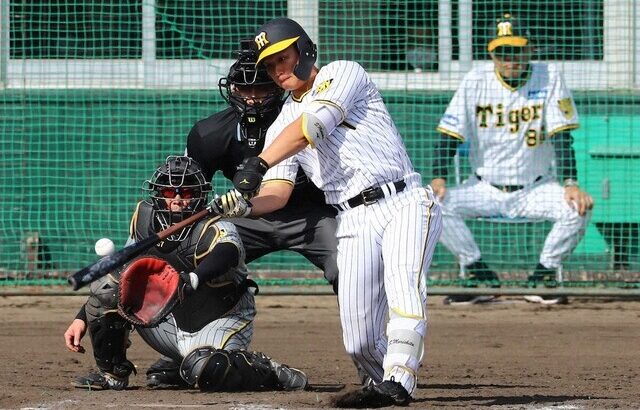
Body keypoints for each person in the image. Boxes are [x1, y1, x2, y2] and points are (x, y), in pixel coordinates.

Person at [215, 17, 442, 408]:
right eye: (270, 65)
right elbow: (278, 194)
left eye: (282, 58)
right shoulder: (281, 124)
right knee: (359, 340)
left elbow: (312, 127)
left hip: (403, 200)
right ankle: (383, 385)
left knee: (405, 289)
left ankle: (400, 380)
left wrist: (259, 164)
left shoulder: (342, 73)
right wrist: (246, 205)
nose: (277, 69)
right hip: (351, 218)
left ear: (304, 51)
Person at [142, 39, 341, 389]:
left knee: (350, 265)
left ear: (276, 85)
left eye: (261, 86)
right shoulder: (209, 132)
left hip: (312, 215)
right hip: (249, 216)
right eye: (245, 87)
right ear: (231, 88)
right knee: (189, 250)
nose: (253, 96)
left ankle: (376, 352)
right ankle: (184, 352)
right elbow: (190, 192)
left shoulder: (302, 115)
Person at [63, 156, 308, 392]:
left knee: (209, 370)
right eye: (170, 192)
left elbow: (227, 254)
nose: (178, 199)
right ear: (158, 194)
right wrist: (82, 317)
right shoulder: (144, 219)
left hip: (219, 320)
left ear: (201, 195)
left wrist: (192, 279)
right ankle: (113, 373)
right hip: (168, 320)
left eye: (187, 192)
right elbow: (123, 272)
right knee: (107, 285)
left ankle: (267, 371)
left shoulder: (218, 224)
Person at [431, 13, 594, 305]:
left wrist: (570, 183)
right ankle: (479, 274)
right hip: (484, 188)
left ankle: (542, 276)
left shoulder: (549, 75)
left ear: (529, 49)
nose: (510, 60)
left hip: (536, 188)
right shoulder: (476, 80)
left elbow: (561, 136)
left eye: (517, 51)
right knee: (430, 206)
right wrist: (439, 178)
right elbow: (450, 133)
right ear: (492, 54)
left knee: (578, 209)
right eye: (503, 53)